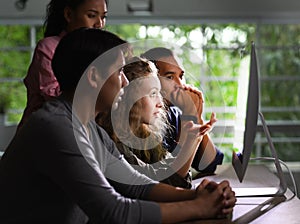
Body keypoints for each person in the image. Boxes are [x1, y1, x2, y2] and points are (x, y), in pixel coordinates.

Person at [0, 28, 236, 223]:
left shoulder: (88, 127)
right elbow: (115, 211)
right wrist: (201, 208)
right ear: (93, 77)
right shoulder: (55, 128)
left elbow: (136, 185)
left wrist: (195, 195)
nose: (126, 82)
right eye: (120, 71)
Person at [97, 56, 217, 189]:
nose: (160, 104)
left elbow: (168, 173)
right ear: (129, 98)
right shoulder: (110, 141)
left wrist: (195, 138)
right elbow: (157, 184)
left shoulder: (148, 134)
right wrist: (190, 139)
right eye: (153, 94)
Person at [17, 0, 108, 130]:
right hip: (41, 132)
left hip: (76, 129)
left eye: (103, 17)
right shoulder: (49, 47)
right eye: (92, 15)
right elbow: (54, 97)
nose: (99, 24)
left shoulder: (96, 53)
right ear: (69, 14)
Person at [141, 47, 224, 175]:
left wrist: (196, 117)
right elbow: (171, 174)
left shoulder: (175, 114)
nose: (180, 84)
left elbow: (210, 164)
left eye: (181, 76)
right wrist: (190, 116)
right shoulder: (145, 119)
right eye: (170, 77)